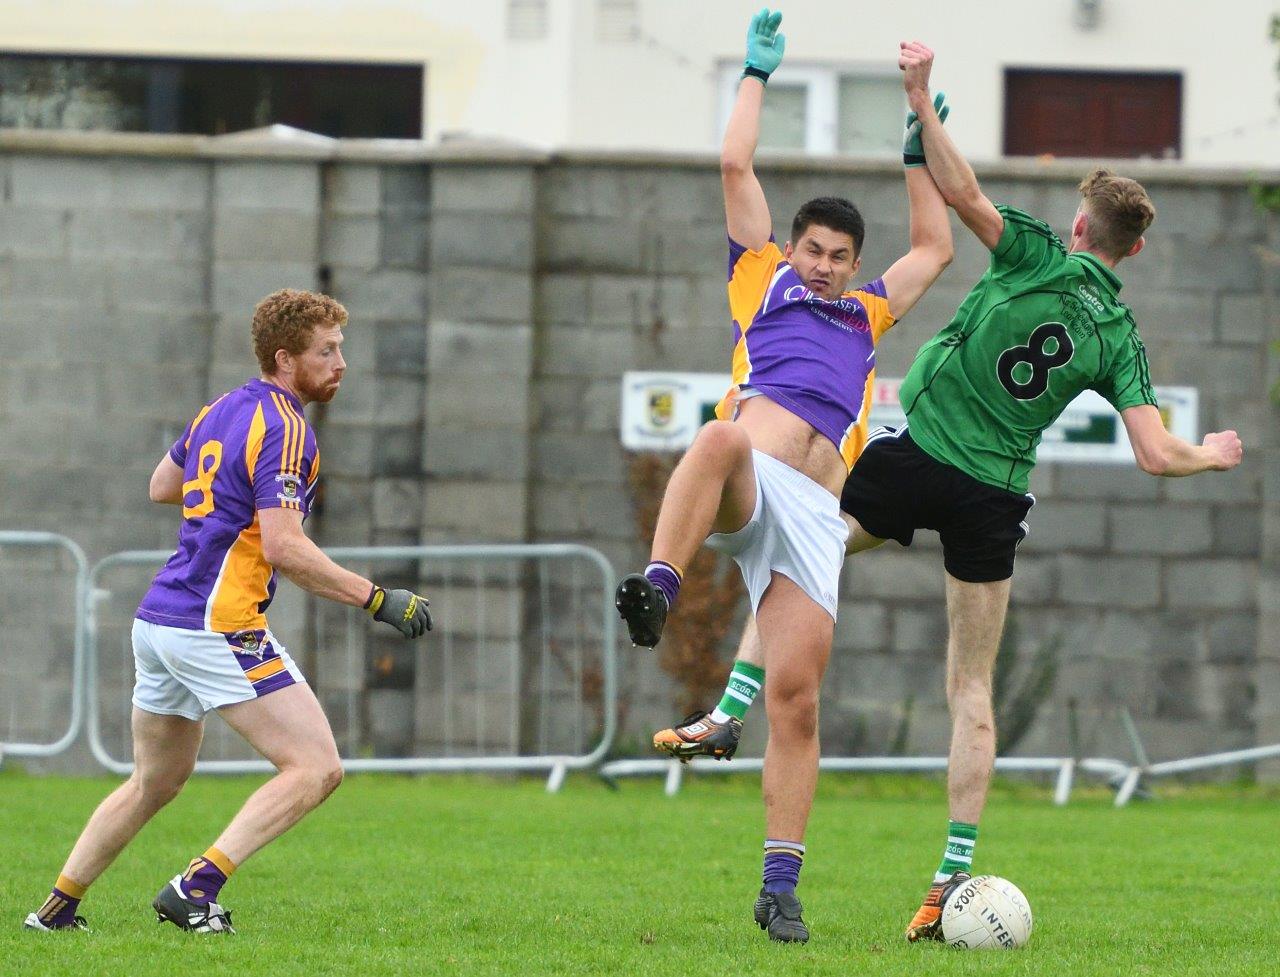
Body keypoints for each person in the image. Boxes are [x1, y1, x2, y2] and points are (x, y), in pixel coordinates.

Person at [651, 40, 1244, 944]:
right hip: (991, 499)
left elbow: (957, 203)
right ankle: (949, 874)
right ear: (1138, 249)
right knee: (970, 686)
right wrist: (1212, 451)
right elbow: (1157, 455)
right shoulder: (1120, 337)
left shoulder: (1036, 254)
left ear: (1079, 229)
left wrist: (923, 113)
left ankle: (731, 709)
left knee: (799, 547)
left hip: (914, 455)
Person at [616, 13, 954, 944]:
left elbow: (934, 247)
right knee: (719, 439)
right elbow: (735, 169)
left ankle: (779, 886)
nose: (828, 266)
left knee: (797, 699)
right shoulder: (761, 278)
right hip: (751, 474)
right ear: (794, 247)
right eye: (817, 250)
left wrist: (918, 139)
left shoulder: (869, 311)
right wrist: (757, 76)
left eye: (842, 257)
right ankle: (657, 585)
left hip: (813, 514)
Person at [25, 289, 433, 935]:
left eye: (340, 348)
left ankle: (55, 909)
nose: (340, 362)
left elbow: (162, 484)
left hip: (160, 619)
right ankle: (194, 888)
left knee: (153, 781)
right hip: (218, 623)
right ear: (284, 357)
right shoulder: (287, 425)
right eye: (326, 350)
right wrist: (377, 597)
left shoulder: (222, 408)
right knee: (315, 767)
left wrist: (221, 506)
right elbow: (285, 546)